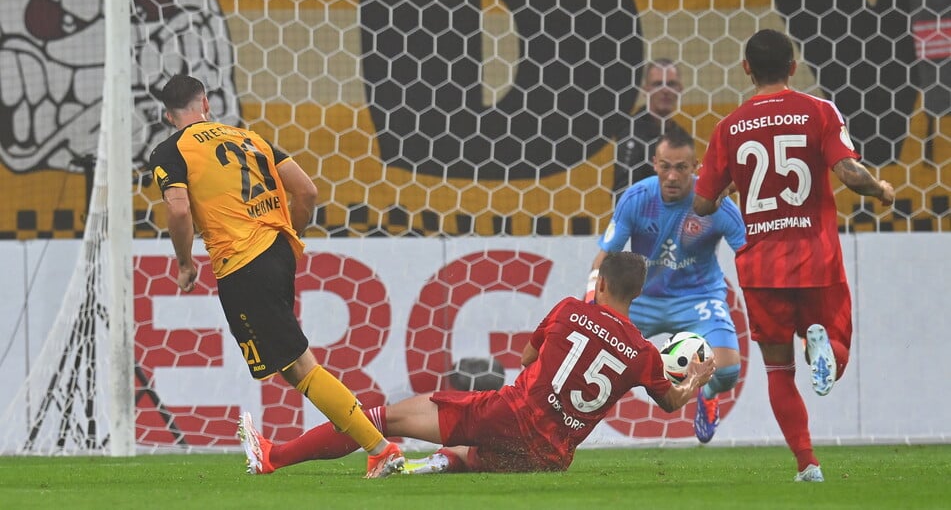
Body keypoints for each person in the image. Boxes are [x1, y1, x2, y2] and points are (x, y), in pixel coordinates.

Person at [237, 252, 715, 475]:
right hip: (552, 457)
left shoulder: (572, 309)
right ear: (639, 293)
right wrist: (695, 380)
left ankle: (274, 458)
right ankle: (433, 467)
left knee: (378, 419)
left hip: (508, 415)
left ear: (603, 285)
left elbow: (527, 356)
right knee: (473, 457)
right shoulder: (644, 353)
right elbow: (671, 403)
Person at [148, 75, 404, 479]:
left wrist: (184, 263)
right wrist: (290, 236)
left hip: (242, 262)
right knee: (289, 366)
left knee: (300, 366)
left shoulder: (170, 150)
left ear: (167, 115)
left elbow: (178, 211)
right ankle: (285, 453)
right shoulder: (251, 138)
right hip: (279, 252)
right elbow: (307, 191)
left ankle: (380, 449)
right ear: (206, 104)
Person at [692, 29, 895, 483]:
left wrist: (729, 183)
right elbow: (847, 172)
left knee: (779, 370)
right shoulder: (819, 111)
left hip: (761, 265)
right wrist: (880, 189)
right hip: (817, 257)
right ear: (792, 65)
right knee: (836, 351)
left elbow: (702, 205)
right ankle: (820, 342)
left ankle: (808, 465)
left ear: (746, 68)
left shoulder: (728, 129)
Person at [587, 127, 746, 445]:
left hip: (697, 296)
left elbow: (750, 257)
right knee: (588, 359)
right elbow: (604, 259)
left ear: (696, 166)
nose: (672, 176)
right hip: (639, 299)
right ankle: (568, 423)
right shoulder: (636, 198)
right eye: (665, 166)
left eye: (681, 167)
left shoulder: (717, 205)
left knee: (727, 370)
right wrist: (592, 302)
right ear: (654, 163)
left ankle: (709, 395)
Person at [611, 59, 687, 196]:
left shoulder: (681, 136)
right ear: (646, 89)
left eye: (671, 84)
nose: (665, 90)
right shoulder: (631, 132)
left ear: (680, 89)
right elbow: (622, 194)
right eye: (658, 84)